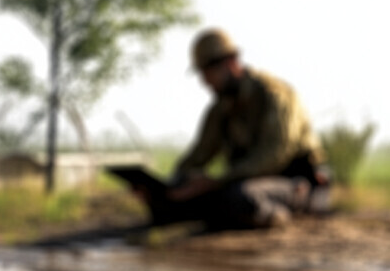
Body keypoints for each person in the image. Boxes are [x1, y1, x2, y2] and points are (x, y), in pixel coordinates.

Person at [132, 29, 329, 230]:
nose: (205, 82)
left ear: (230, 63)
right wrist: (167, 188)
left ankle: (278, 215)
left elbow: (274, 156)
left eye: (208, 73)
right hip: (241, 183)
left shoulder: (275, 96)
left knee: (240, 198)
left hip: (294, 182)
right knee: (175, 201)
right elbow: (198, 155)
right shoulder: (221, 108)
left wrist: (217, 181)